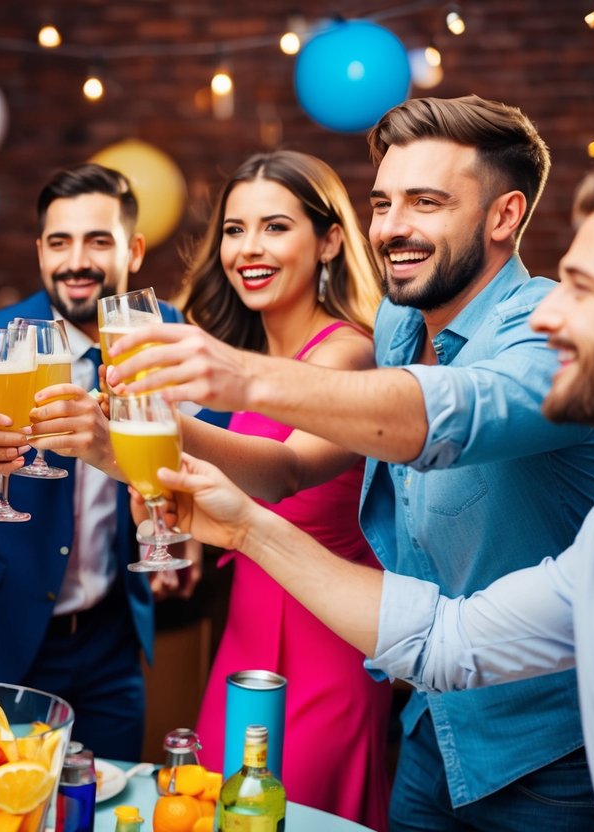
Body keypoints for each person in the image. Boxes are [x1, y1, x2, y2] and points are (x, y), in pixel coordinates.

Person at [109, 96, 594, 828]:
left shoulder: (542, 336)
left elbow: (447, 414)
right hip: (430, 723)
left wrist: (241, 377)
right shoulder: (397, 322)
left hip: (542, 756)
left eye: (425, 202)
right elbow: (301, 471)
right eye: (381, 202)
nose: (390, 227)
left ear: (503, 217)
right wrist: (111, 443)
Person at [0, 163, 219, 760]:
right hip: (1, 636)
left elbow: (214, 449)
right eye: (61, 242)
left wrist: (184, 529)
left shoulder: (165, 334)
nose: (77, 261)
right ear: (41, 250)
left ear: (135, 249)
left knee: (98, 801)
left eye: (98, 241)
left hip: (112, 641)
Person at [174, 150, 390, 830]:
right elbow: (226, 486)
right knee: (220, 812)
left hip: (327, 641)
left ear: (328, 239)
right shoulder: (253, 358)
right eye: (233, 230)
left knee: (296, 815)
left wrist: (162, 427)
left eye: (273, 227)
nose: (248, 248)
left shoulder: (346, 352)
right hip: (243, 633)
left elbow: (283, 469)